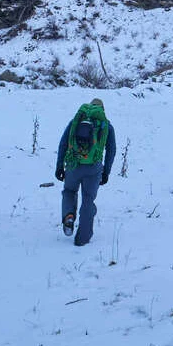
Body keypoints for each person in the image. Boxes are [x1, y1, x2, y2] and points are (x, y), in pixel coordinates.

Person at [55, 97, 116, 246]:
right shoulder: (107, 126)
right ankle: (82, 238)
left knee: (69, 191)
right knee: (88, 199)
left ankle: (69, 216)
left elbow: (63, 143)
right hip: (93, 169)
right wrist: (106, 172)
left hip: (73, 164)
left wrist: (59, 166)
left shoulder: (75, 122)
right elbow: (111, 151)